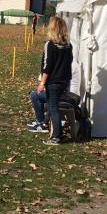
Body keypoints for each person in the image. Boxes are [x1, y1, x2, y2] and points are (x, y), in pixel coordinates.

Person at [34, 16, 73, 145]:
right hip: (64, 81)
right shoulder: (68, 45)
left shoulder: (49, 45)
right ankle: (45, 123)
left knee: (53, 107)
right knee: (52, 105)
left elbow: (47, 65)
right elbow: (69, 62)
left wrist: (42, 83)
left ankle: (57, 136)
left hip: (53, 82)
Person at [28, 61, 80, 134]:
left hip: (67, 96)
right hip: (63, 93)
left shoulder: (69, 65)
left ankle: (42, 123)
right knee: (37, 93)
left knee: (35, 95)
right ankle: (42, 122)